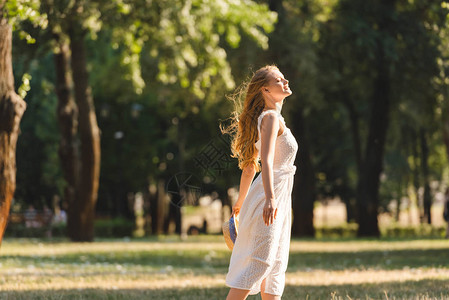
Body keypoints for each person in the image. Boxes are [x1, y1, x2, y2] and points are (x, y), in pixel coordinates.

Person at [221, 65, 298, 300]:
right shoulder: (271, 117)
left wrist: (240, 203)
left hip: (276, 197)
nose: (285, 82)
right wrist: (271, 199)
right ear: (265, 89)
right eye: (278, 80)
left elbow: (248, 167)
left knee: (274, 265)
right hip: (270, 196)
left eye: (284, 78)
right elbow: (264, 159)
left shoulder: (271, 118)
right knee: (260, 262)